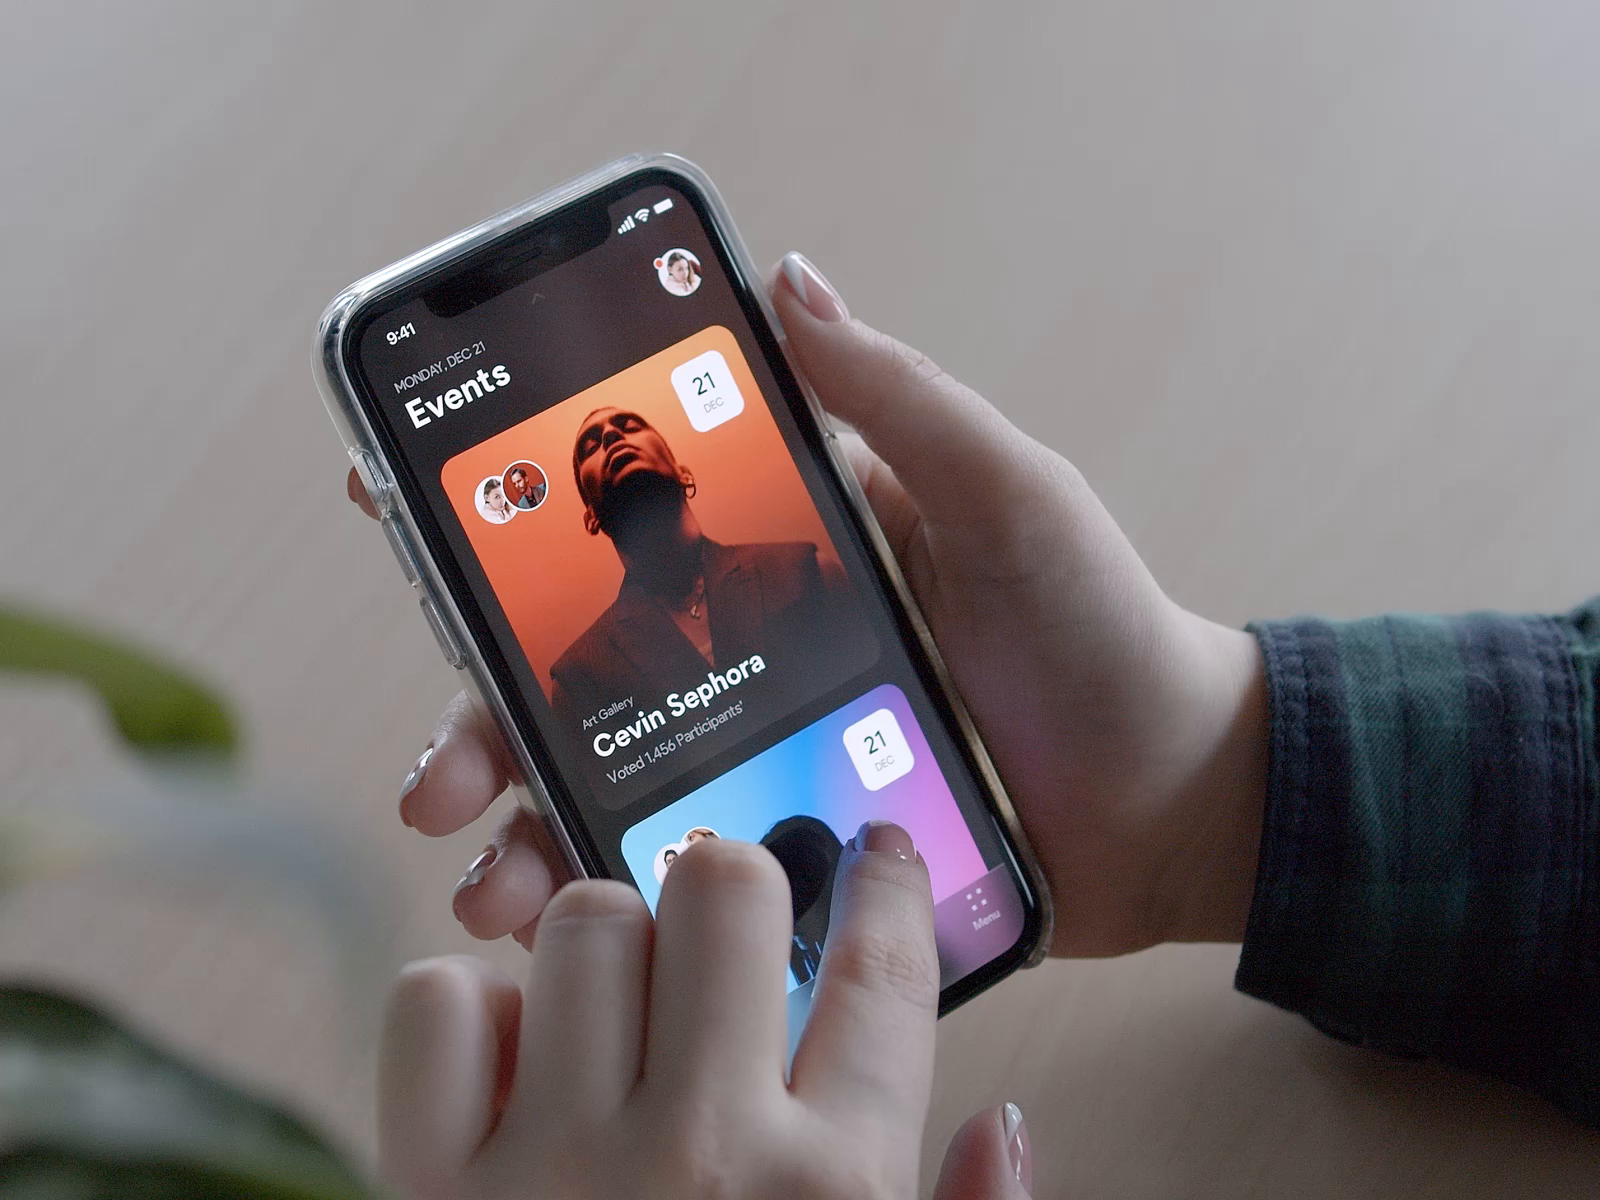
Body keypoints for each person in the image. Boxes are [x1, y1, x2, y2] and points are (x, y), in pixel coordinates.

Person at [363, 251, 1599, 1197]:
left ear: (682, 476)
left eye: (641, 457)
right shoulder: (574, 668)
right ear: (593, 519)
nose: (626, 471)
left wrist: (1205, 792)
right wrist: (1206, 790)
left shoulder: (803, 561)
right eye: (608, 480)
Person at [546, 404, 867, 729]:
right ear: (591, 518)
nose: (611, 435)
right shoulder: (577, 680)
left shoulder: (807, 571)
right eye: (591, 447)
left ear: (684, 473)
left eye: (629, 426)